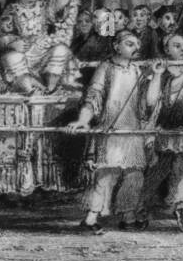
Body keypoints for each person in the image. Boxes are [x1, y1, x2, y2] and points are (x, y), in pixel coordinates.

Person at [68, 30, 163, 234]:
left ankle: (128, 217)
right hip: (110, 130)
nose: (135, 48)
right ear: (116, 46)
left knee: (134, 176)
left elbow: (150, 102)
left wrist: (156, 76)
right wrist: (83, 119)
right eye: (130, 43)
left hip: (132, 132)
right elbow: (93, 96)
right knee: (106, 175)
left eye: (137, 44)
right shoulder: (106, 68)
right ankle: (90, 219)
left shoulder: (138, 71)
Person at [136, 32, 183, 231]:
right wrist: (157, 74)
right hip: (165, 129)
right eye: (177, 45)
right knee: (158, 168)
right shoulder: (161, 72)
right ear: (166, 49)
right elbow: (152, 101)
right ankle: (140, 208)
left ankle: (180, 209)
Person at [0, 0, 80, 95]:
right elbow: (0, 37)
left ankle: (50, 88)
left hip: (42, 53)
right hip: (23, 54)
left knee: (61, 50)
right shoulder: (12, 10)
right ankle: (31, 89)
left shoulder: (44, 7)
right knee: (12, 57)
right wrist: (12, 44)